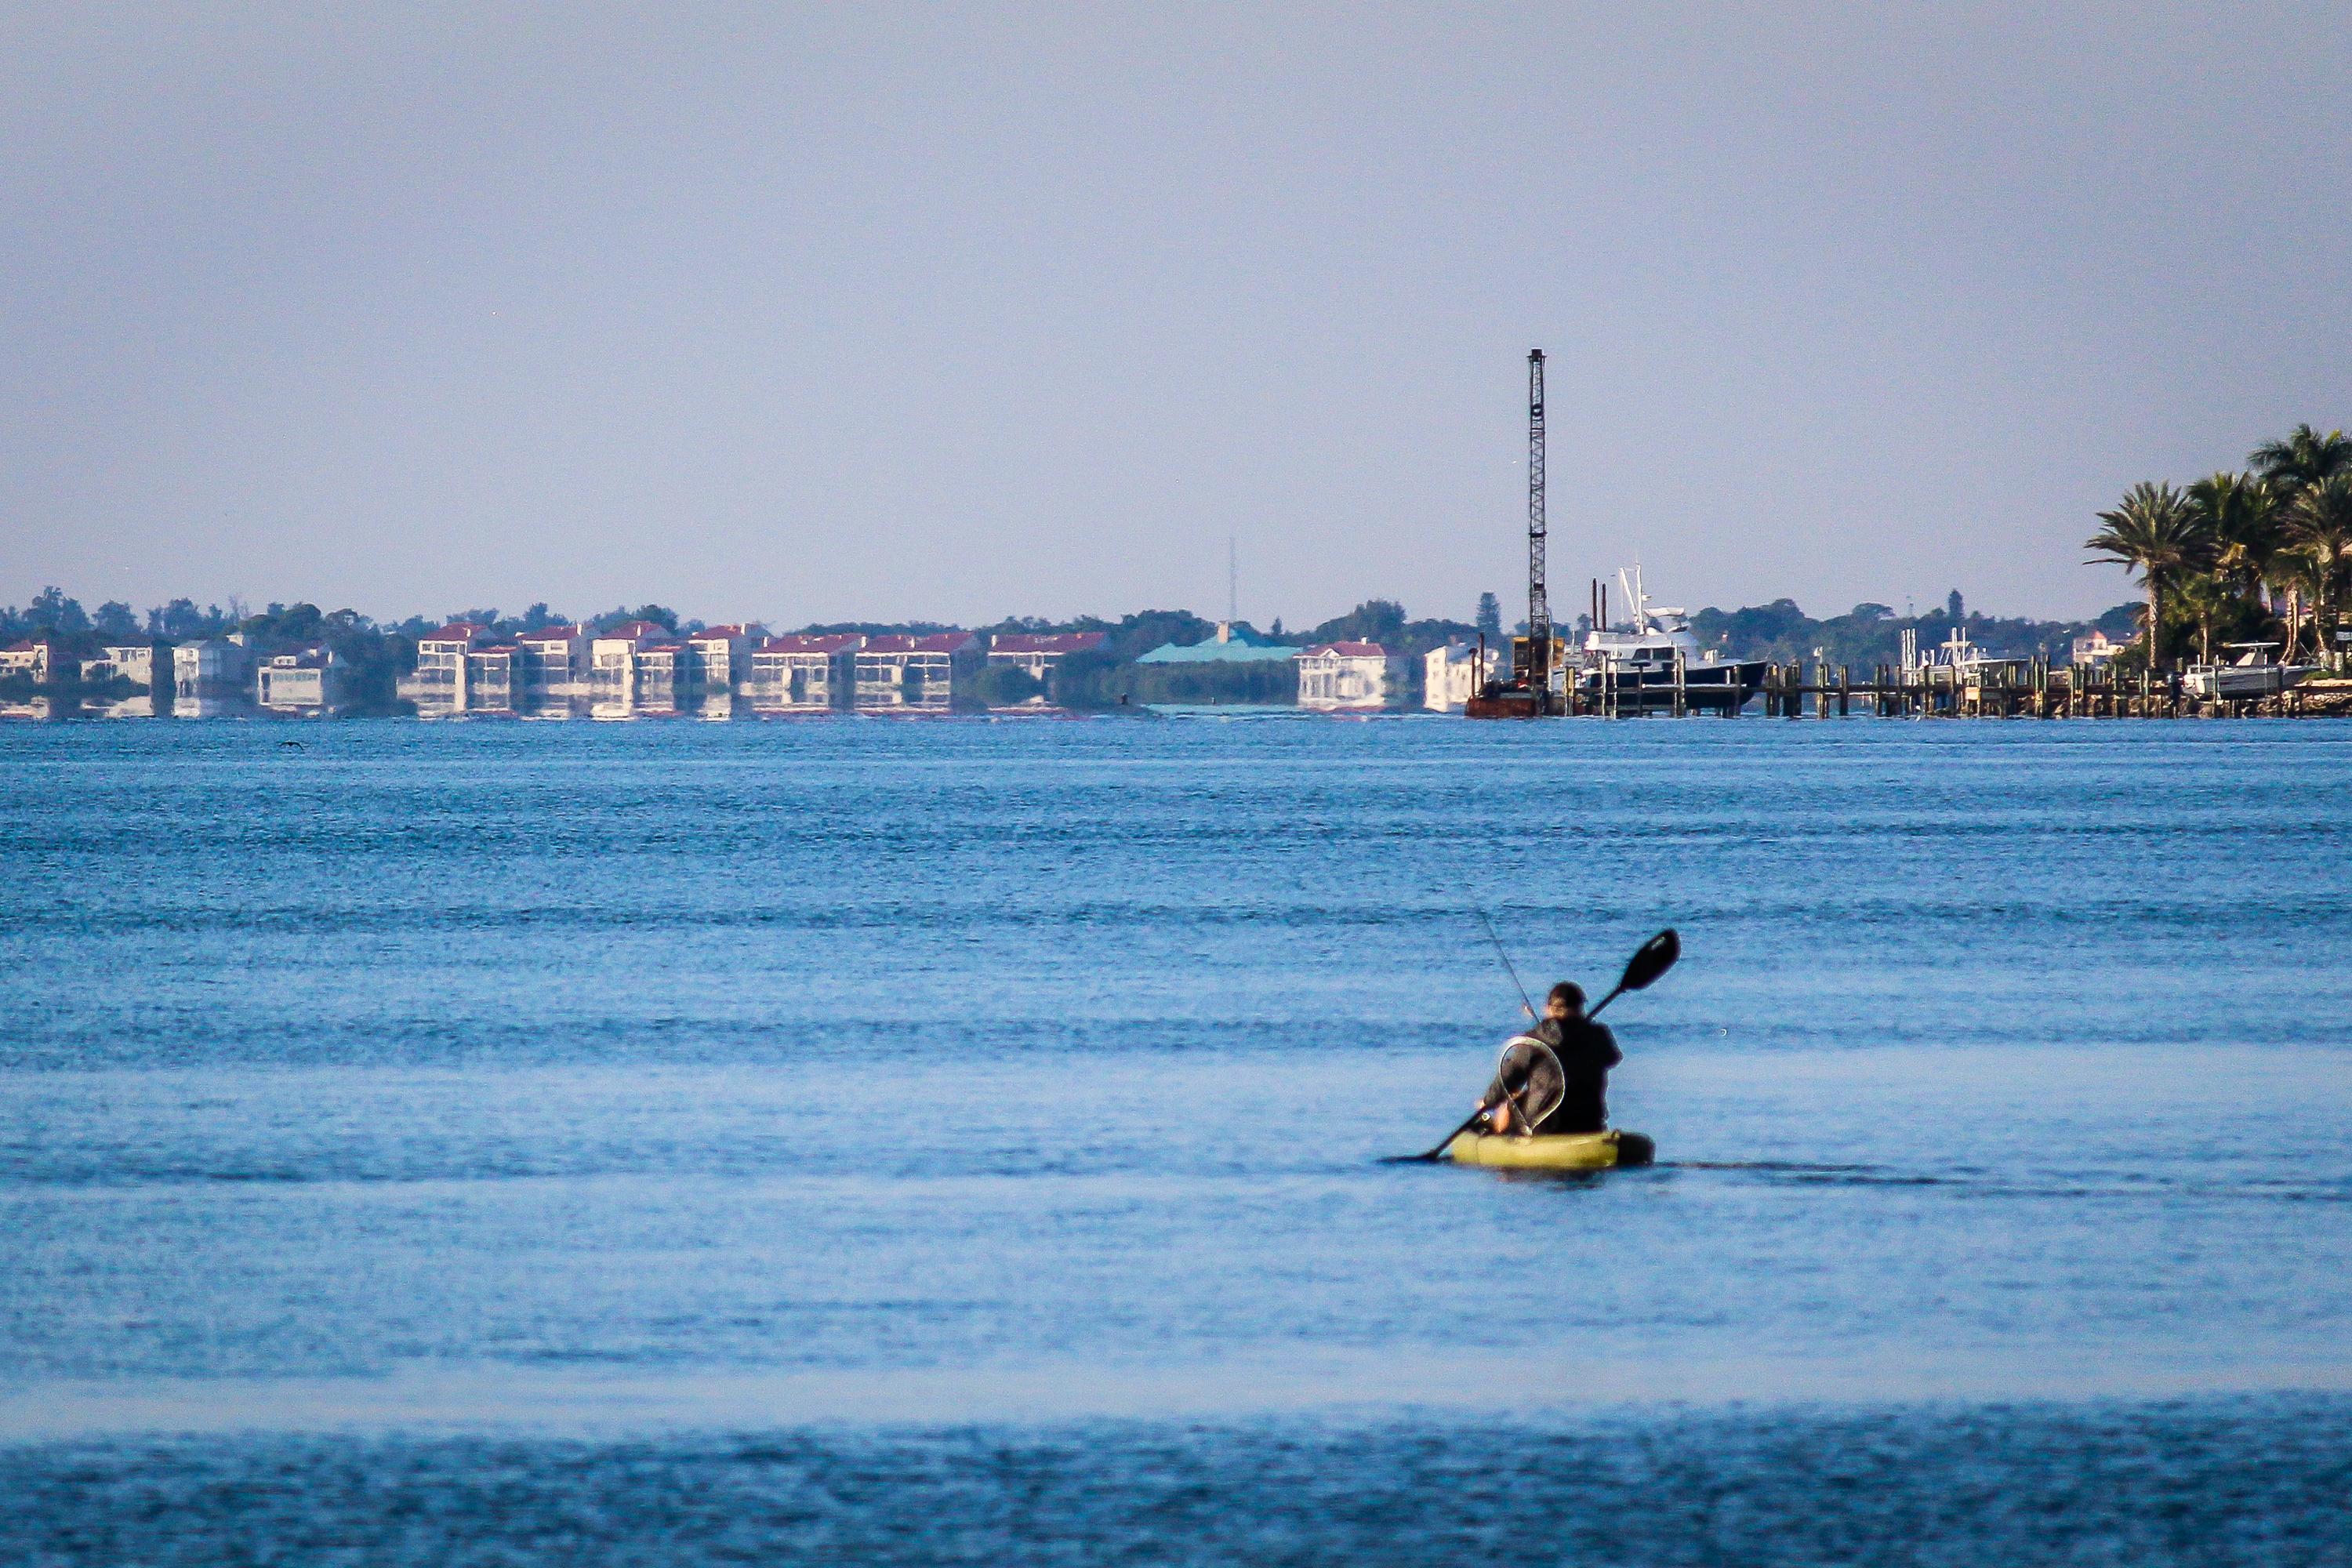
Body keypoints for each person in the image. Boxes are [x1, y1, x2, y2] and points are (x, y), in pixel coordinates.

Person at [1475, 981, 1621, 1136]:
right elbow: (1613, 1058)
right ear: (1580, 1008)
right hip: (1589, 1122)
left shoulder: (1532, 1039)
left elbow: (1509, 1079)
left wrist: (1487, 1102)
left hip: (1542, 1124)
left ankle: (1501, 1140)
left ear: (1547, 1008)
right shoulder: (1599, 1035)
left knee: (1507, 1105)